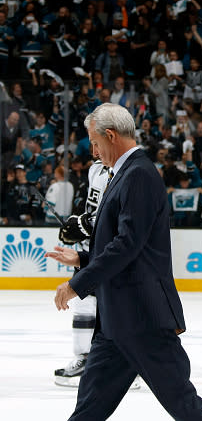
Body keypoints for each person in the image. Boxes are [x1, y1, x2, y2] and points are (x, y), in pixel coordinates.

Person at [46, 103, 202, 421]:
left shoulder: (138, 174)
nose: (94, 152)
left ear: (110, 136)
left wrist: (78, 283)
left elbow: (127, 245)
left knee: (183, 403)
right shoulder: (125, 173)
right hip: (117, 320)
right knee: (89, 408)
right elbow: (123, 245)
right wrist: (82, 258)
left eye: (95, 143)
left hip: (142, 317)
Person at [53, 160, 112, 387]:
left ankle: (128, 364)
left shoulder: (126, 171)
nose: (95, 151)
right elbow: (91, 209)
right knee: (84, 302)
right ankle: (85, 358)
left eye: (98, 143)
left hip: (113, 249)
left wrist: (85, 225)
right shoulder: (95, 169)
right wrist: (77, 227)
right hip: (91, 248)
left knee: (113, 306)